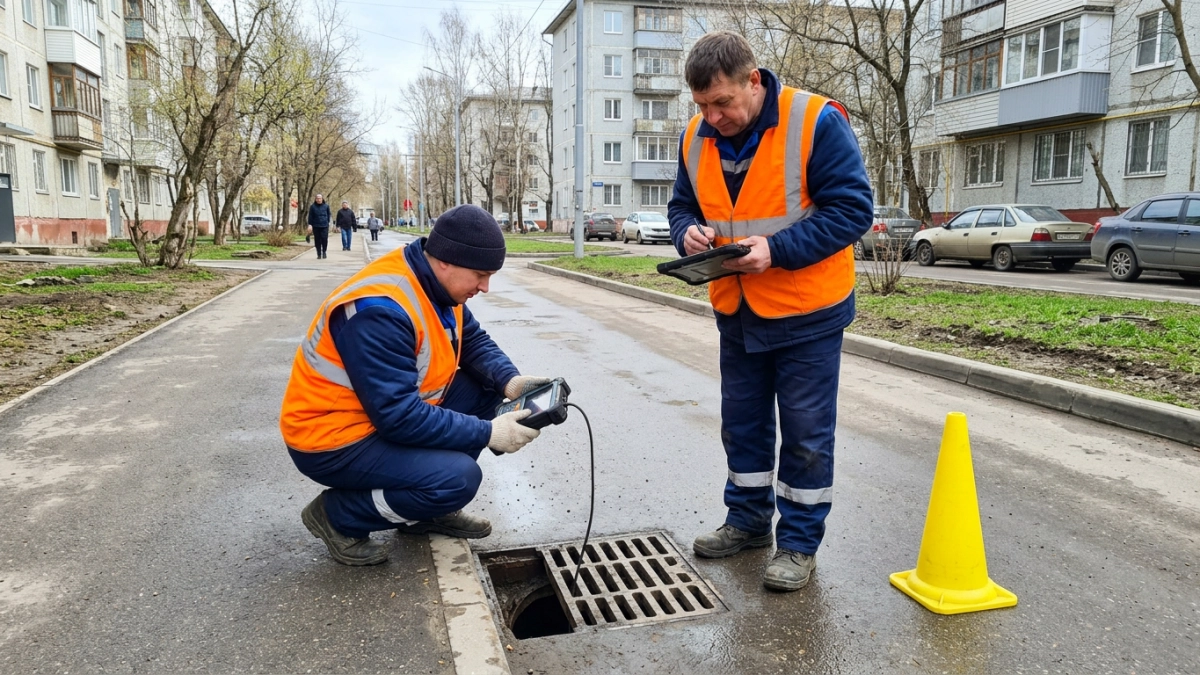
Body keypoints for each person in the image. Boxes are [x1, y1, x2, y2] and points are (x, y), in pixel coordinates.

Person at [667, 31, 872, 592]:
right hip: (736, 306)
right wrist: (686, 234)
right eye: (703, 106)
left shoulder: (816, 121)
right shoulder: (696, 136)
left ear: (753, 82)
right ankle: (748, 521)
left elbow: (853, 210)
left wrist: (776, 250)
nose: (713, 116)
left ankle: (799, 544)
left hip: (807, 311)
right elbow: (682, 206)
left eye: (723, 103)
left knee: (806, 433)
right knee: (744, 424)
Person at [280, 204, 551, 565]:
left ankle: (423, 509)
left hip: (375, 417)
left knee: (488, 389)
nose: (485, 287)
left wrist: (510, 381)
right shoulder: (381, 309)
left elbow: (471, 339)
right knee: (457, 480)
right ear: (446, 262)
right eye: (481, 275)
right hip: (332, 438)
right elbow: (399, 417)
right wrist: (488, 432)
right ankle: (338, 516)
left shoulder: (434, 283)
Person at [307, 194, 331, 259]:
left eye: (320, 198)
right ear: (315, 199)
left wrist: (327, 222)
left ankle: (324, 252)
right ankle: (319, 253)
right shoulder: (312, 207)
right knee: (317, 240)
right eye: (317, 198)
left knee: (324, 239)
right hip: (316, 225)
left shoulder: (326, 206)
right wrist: (310, 224)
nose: (318, 199)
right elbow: (310, 216)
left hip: (324, 225)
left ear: (322, 199)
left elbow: (329, 215)